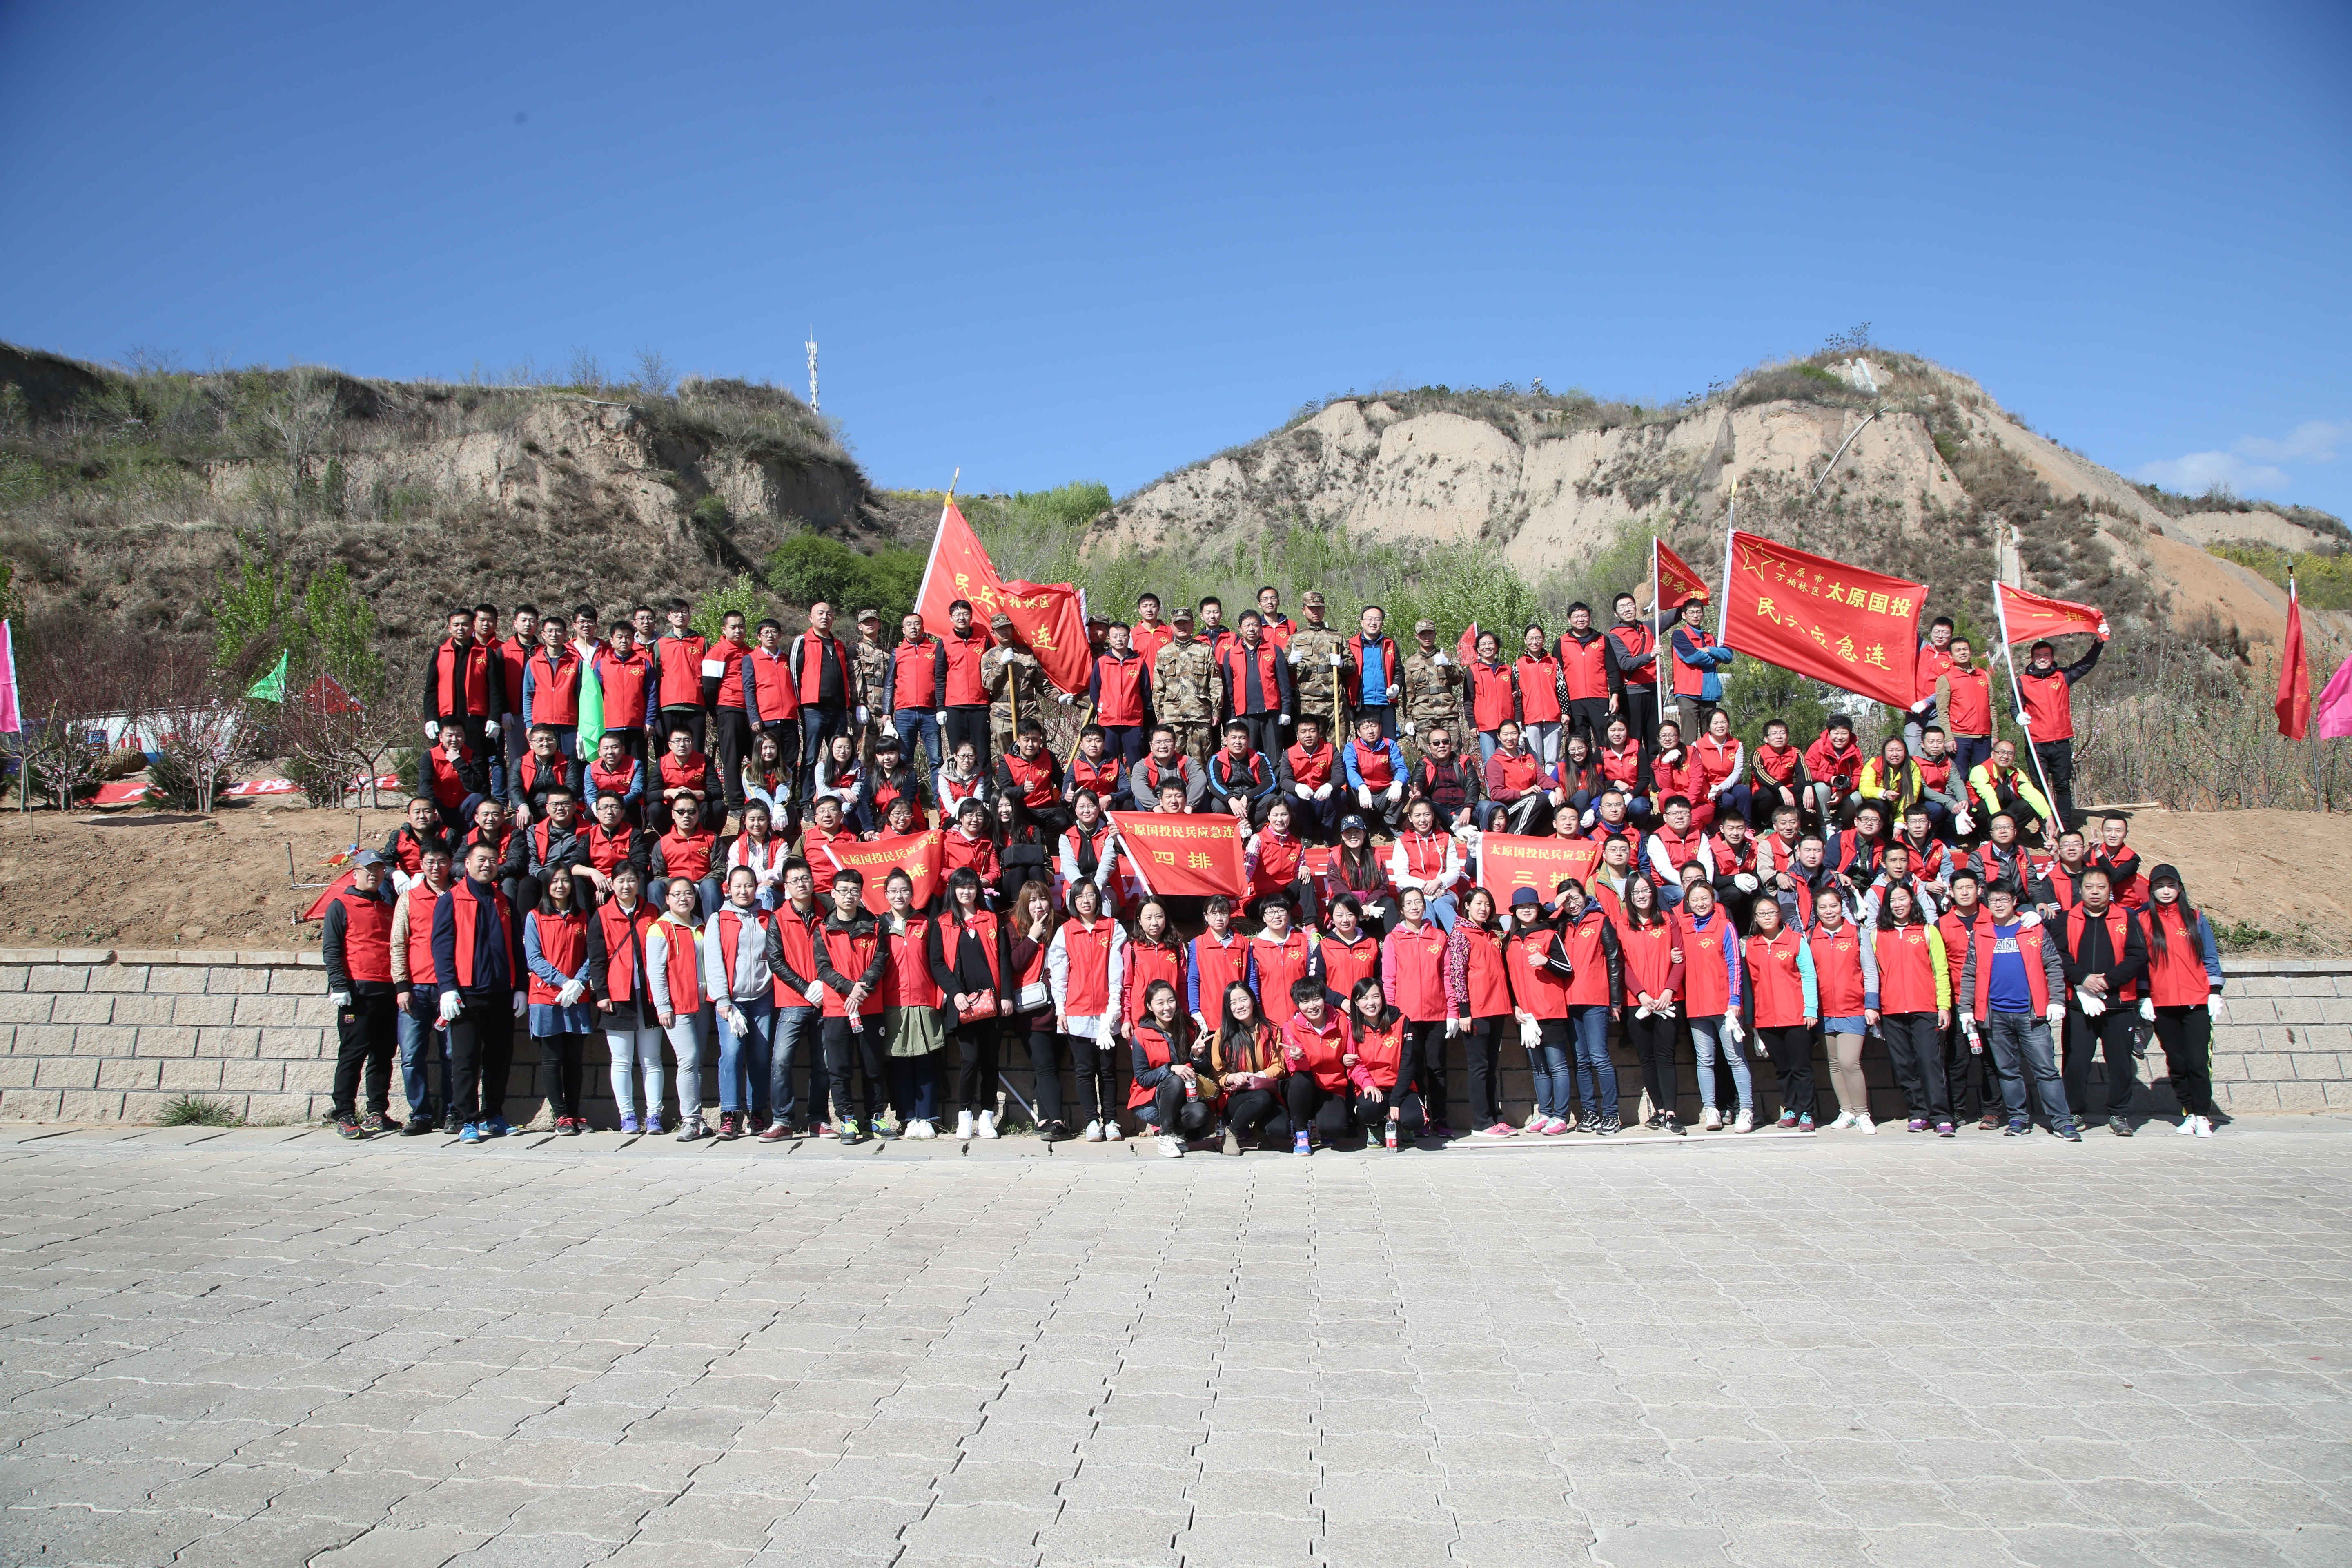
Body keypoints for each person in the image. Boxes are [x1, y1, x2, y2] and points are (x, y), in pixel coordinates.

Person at [1956, 882, 2079, 1140]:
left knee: (2046, 1071)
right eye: (1993, 901)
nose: (1999, 905)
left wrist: (2057, 1000)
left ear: (2014, 901)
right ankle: (2018, 1119)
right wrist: (1966, 1008)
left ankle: (2062, 1121)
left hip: (2031, 1014)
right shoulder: (1981, 934)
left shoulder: (2033, 929)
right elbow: (1970, 973)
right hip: (1995, 1016)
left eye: (2004, 899)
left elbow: (2053, 966)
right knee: (2008, 1072)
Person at [432, 840, 527, 1144]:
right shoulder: (452, 899)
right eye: (482, 860)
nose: (487, 865)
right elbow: (442, 948)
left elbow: (517, 948)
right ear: (468, 864)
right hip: (466, 993)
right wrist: (448, 988)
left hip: (501, 993)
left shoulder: (504, 901)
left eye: (493, 860)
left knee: (499, 1059)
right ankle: (466, 1119)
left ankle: (493, 1115)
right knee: (466, 1060)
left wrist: (520, 988)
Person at [2059, 867, 2148, 1137]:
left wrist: (2107, 981)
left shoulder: (2127, 917)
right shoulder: (2066, 919)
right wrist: (2083, 979)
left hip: (2119, 1003)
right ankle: (2074, 1111)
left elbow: (2137, 956)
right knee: (2076, 1062)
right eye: (2089, 887)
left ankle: (2119, 1114)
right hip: (2080, 1003)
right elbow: (2060, 956)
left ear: (2110, 890)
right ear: (2081, 890)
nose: (2095, 892)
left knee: (2120, 1063)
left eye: (2101, 887)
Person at [929, 867, 1011, 1140]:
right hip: (963, 1004)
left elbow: (1004, 959)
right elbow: (937, 963)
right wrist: (954, 993)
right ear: (953, 890)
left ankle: (987, 1117)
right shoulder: (943, 923)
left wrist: (1006, 995)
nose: (966, 892)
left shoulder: (991, 919)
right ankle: (964, 1115)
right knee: (970, 1060)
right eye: (961, 887)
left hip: (992, 1003)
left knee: (990, 1062)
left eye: (971, 886)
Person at [323, 851, 400, 1139]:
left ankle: (377, 1111)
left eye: (379, 869)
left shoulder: (387, 907)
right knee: (353, 1055)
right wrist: (339, 985)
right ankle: (344, 1113)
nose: (374, 874)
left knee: (383, 1055)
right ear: (354, 873)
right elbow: (332, 948)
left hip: (387, 990)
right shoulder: (341, 905)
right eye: (368, 869)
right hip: (358, 991)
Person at [2143, 864, 2224, 1137]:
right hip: (2163, 1003)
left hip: (2196, 1001)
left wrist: (2214, 992)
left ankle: (2203, 1115)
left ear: (2180, 888)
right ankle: (2188, 1112)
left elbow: (2210, 957)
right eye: (2159, 886)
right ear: (2151, 890)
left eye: (2171, 886)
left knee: (2198, 1062)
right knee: (2177, 1063)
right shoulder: (2143, 920)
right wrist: (2144, 996)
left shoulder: (2196, 918)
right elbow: (2140, 962)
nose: (2166, 891)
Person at [1045, 878, 1126, 1144]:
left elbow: (1118, 971)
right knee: (1084, 1069)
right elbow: (1059, 974)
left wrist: (1114, 1006)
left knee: (1108, 1069)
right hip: (1077, 1009)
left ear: (1099, 899)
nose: (1086, 901)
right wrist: (1061, 1009)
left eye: (1091, 895)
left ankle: (1111, 1120)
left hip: (1106, 1010)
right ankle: (1092, 1121)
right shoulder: (1065, 932)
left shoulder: (1113, 928)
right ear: (1073, 902)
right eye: (1080, 897)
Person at [1868, 882, 1953, 1136]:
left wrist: (1944, 1005)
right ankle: (1918, 1114)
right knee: (1904, 1065)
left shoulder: (1928, 931)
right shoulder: (1877, 936)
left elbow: (1941, 971)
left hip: (1924, 1009)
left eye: (1903, 899)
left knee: (1930, 1063)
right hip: (1892, 1011)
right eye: (1892, 900)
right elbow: (1873, 974)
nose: (1898, 905)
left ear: (1912, 901)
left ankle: (1941, 1116)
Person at [587, 862, 666, 1135]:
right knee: (621, 1061)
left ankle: (654, 1115)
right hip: (618, 995)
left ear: (639, 882)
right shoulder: (602, 915)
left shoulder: (653, 912)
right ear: (612, 884)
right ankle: (628, 1116)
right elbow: (597, 959)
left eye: (631, 880)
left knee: (652, 1059)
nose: (626, 886)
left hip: (650, 996)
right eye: (620, 881)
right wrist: (601, 993)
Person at [701, 865, 777, 1140]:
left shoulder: (768, 918)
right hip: (732, 1001)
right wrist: (722, 999)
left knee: (760, 1056)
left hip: (763, 998)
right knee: (732, 1054)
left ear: (756, 888)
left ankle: (757, 1114)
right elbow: (714, 961)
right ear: (728, 889)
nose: (744, 891)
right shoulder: (719, 919)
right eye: (738, 886)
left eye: (749, 886)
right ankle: (729, 1115)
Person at [814, 868, 890, 1144]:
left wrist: (862, 988)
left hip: (870, 1007)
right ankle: (847, 1120)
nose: (849, 896)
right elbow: (823, 968)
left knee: (873, 1067)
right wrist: (849, 988)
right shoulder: (823, 929)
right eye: (844, 890)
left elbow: (881, 959)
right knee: (839, 1068)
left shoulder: (875, 925)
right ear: (833, 893)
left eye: (855, 891)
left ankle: (876, 1118)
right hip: (838, 1009)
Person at [522, 865, 595, 1135]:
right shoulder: (535, 917)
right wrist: (563, 981)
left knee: (575, 1059)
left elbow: (592, 954)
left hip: (576, 996)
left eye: (565, 881)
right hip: (546, 996)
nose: (560, 886)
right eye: (555, 881)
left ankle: (575, 1113)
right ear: (547, 886)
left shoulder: (582, 917)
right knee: (552, 1059)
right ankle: (561, 1115)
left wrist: (578, 981)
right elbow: (534, 958)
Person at [876, 867, 946, 1140]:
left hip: (924, 1000)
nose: (899, 896)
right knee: (900, 1063)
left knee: (926, 1061)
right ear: (885, 894)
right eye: (893, 891)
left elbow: (937, 961)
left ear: (912, 893)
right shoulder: (879, 926)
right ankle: (907, 1117)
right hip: (893, 1002)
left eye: (904, 890)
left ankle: (927, 1117)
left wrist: (940, 994)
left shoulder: (925, 923)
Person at [390, 846, 456, 1134]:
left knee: (452, 1056)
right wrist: (401, 984)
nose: (436, 867)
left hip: (450, 990)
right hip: (416, 989)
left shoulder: (459, 896)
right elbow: (398, 943)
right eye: (430, 862)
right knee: (411, 1056)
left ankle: (453, 1112)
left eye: (442, 861)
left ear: (451, 864)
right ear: (421, 864)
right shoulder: (409, 898)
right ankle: (421, 1114)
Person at [1677, 879, 1750, 1133]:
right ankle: (1711, 1109)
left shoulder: (1725, 926)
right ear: (1688, 902)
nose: (1700, 904)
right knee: (1705, 1060)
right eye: (1695, 900)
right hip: (1696, 1007)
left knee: (1735, 1058)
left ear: (1714, 899)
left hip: (1724, 1006)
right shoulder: (1684, 928)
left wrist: (1735, 1000)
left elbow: (1735, 964)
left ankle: (1747, 1109)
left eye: (1705, 898)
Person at [764, 861, 831, 1138]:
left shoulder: (828, 912)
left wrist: (825, 983)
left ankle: (819, 1118)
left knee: (824, 1063)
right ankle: (782, 1120)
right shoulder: (778, 918)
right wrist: (805, 988)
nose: (801, 884)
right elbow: (775, 960)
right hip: (793, 999)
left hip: (827, 998)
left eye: (805, 878)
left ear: (813, 881)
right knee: (781, 1060)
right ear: (786, 887)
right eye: (795, 880)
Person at [1442, 886, 1515, 1138]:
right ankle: (1481, 1122)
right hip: (1477, 1010)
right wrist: (1464, 1010)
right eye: (1479, 903)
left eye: (1487, 904)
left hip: (1497, 1007)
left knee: (1491, 1065)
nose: (1484, 909)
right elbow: (1457, 974)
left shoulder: (1492, 934)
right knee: (1479, 1067)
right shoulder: (1461, 934)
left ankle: (1496, 1117)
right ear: (1467, 906)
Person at [642, 876, 711, 1141]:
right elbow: (656, 972)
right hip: (677, 1006)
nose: (684, 898)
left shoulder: (702, 926)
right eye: (677, 894)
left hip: (702, 1003)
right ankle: (690, 1119)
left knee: (697, 1061)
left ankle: (698, 1117)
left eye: (689, 894)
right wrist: (663, 1005)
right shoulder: (660, 929)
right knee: (688, 1058)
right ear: (667, 899)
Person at [1553, 879, 1624, 1134]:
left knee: (1599, 1057)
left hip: (1595, 1000)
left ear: (1585, 895)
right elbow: (1539, 923)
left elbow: (1614, 960)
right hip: (1569, 1001)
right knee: (1581, 1060)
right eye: (1566, 900)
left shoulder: (1600, 921)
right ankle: (1590, 1113)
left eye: (1575, 897)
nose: (1572, 904)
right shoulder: (1560, 926)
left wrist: (1616, 1001)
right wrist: (1554, 907)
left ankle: (1612, 1114)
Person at [1742, 897, 1818, 1132]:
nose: (1767, 917)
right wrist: (1752, 1020)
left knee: (1801, 1068)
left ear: (1779, 915)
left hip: (1796, 1016)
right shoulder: (1751, 946)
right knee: (1783, 1069)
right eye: (1761, 913)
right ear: (1755, 918)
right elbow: (1749, 984)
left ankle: (1807, 1112)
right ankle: (1792, 1109)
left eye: (1771, 912)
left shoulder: (1796, 941)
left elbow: (1808, 975)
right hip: (1766, 1017)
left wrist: (1811, 1009)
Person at [2017, 632, 2107, 830]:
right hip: (2036, 743)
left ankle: (2065, 826)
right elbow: (2015, 706)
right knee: (2040, 787)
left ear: (2052, 658)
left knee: (2062, 786)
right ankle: (2045, 826)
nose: (2042, 659)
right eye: (2038, 656)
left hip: (2061, 741)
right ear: (2032, 659)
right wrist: (2018, 716)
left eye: (2046, 655)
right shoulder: (2022, 682)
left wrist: (2098, 644)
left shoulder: (2063, 676)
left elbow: (2086, 665)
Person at [1501, 889, 1573, 1136]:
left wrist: (1546, 962)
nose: (1526, 911)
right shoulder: (1510, 941)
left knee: (1557, 1066)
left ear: (1539, 909)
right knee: (1538, 1067)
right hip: (1526, 1015)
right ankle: (1545, 1113)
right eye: (1521, 907)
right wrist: (1515, 1005)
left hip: (1551, 1011)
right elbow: (1508, 979)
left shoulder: (1550, 936)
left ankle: (1560, 1117)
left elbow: (1567, 968)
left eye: (1531, 906)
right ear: (1514, 912)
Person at [1617, 875, 1685, 1133]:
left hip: (1668, 1001)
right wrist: (1641, 994)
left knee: (1666, 1057)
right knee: (1646, 1058)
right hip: (1639, 1003)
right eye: (1636, 892)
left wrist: (1669, 990)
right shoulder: (1622, 925)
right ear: (1629, 897)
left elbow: (1680, 958)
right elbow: (1622, 963)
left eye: (1646, 890)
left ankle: (1671, 1113)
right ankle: (1658, 1110)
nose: (1642, 896)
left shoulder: (1668, 920)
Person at [1936, 869, 2002, 1129]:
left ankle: (1992, 1111)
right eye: (1959, 888)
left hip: (1992, 999)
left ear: (1979, 890)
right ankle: (1956, 1111)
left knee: (1992, 1058)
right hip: (1958, 1000)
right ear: (1951, 893)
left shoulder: (1994, 918)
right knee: (1958, 1059)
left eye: (1970, 887)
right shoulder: (1942, 925)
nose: (1965, 892)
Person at [1808, 886, 1876, 1131]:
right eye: (1823, 907)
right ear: (1816, 911)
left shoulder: (1858, 933)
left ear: (1842, 907)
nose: (1829, 911)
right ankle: (1846, 1111)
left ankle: (1862, 1113)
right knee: (1835, 1063)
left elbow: (1870, 971)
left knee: (1849, 1062)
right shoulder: (1810, 937)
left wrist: (1872, 1005)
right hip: (1825, 1011)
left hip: (1854, 1008)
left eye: (1833, 906)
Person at [1131, 979, 1213, 1157]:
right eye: (1160, 1003)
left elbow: (1206, 1071)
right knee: (1175, 1080)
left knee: (1199, 1114)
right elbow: (1142, 1078)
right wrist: (1171, 1068)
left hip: (1185, 1098)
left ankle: (1177, 1134)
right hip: (1151, 1103)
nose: (1167, 1007)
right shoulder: (1142, 1034)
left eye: (1171, 1001)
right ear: (1150, 1007)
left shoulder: (1189, 1028)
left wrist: (1197, 1056)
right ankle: (1166, 1136)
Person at [1209, 980, 1292, 1154]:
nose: (1240, 1006)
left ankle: (1259, 1130)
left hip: (1267, 1090)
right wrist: (1232, 1078)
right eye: (1233, 1003)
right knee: (1260, 1098)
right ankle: (1232, 1133)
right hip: (1236, 1096)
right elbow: (1217, 1073)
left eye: (1243, 999)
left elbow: (1280, 1065)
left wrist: (1260, 1076)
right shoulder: (1223, 1035)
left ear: (1253, 1000)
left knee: (1279, 1129)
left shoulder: (1272, 1030)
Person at [421, 606, 508, 764]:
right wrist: (430, 718)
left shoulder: (486, 653)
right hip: (447, 718)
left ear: (473, 626)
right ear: (449, 628)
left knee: (478, 763)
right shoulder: (440, 653)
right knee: (445, 763)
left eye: (465, 624)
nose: (460, 628)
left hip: (476, 720)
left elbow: (495, 690)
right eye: (456, 625)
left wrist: (494, 718)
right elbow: (431, 690)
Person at [791, 602, 857, 802]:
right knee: (811, 755)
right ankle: (807, 800)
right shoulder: (803, 641)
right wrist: (800, 704)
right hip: (813, 708)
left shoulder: (839, 645)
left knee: (840, 754)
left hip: (838, 709)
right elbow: (794, 675)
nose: (825, 617)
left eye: (829, 614)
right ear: (811, 618)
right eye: (820, 613)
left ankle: (836, 797)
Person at [1279, 977, 1352, 1154]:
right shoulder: (1291, 1027)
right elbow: (1293, 1068)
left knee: (1334, 1129)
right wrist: (1299, 1057)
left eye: (1316, 999)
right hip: (1306, 1088)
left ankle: (1319, 1126)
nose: (1312, 1006)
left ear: (1324, 998)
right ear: (1298, 1005)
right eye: (1305, 1002)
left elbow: (1352, 1056)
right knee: (1300, 1080)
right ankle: (1301, 1132)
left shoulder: (1343, 1023)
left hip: (1332, 1088)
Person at [742, 618, 803, 806]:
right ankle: (765, 802)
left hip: (789, 718)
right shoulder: (751, 659)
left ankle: (788, 801)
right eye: (766, 633)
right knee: (766, 762)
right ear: (759, 636)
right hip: (766, 719)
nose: (770, 636)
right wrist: (754, 717)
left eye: (774, 632)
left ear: (780, 635)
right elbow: (749, 690)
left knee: (790, 762)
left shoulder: (787, 659)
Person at [1221, 611, 1293, 765]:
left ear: (1261, 627)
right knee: (1249, 757)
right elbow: (1228, 689)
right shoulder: (1231, 654)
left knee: (1274, 757)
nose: (1251, 629)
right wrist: (1231, 715)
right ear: (1240, 629)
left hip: (1271, 713)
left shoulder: (1274, 650)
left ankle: (1276, 782)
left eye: (1255, 625)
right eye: (1247, 626)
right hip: (1245, 714)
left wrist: (1286, 711)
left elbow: (1284, 684)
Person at [1153, 607, 1223, 764]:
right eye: (1178, 624)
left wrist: (1216, 711)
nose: (1182, 627)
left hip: (1200, 715)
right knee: (1173, 762)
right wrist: (1160, 715)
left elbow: (1215, 682)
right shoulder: (1164, 653)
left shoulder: (1204, 650)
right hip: (1173, 717)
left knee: (1201, 762)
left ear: (1193, 624)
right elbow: (1158, 687)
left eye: (1185, 623)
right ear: (1172, 626)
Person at [981, 613, 1051, 764]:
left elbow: (1042, 684)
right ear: (993, 632)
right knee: (1007, 759)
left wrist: (1059, 697)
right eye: (1000, 629)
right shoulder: (989, 656)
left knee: (1037, 754)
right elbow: (988, 685)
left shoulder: (1027, 653)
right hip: (1003, 713)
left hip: (1029, 710)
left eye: (1007, 628)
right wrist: (1001, 664)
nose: (1004, 632)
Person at [1388, 797, 1464, 931]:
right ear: (1410, 818)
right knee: (1425, 905)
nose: (1423, 820)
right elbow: (1401, 877)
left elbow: (1454, 871)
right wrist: (1426, 887)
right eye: (1417, 816)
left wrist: (1438, 883)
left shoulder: (1446, 838)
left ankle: (1460, 938)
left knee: (1442, 904)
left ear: (1433, 816)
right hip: (1417, 892)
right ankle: (1430, 940)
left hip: (1444, 891)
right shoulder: (1403, 842)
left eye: (1427, 815)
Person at [1665, 595, 1733, 744]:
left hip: (1709, 693)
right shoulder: (1680, 635)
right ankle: (1688, 759)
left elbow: (1728, 656)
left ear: (1703, 614)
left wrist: (1709, 649)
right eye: (1691, 612)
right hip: (1688, 692)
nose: (1695, 616)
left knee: (1710, 738)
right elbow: (1692, 657)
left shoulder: (1710, 638)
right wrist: (1715, 660)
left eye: (1699, 612)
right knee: (1689, 738)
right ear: (1684, 615)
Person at [1604, 591, 1666, 753]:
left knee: (1655, 738)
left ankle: (1655, 768)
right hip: (1633, 692)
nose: (1627, 609)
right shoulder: (1615, 636)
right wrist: (1651, 655)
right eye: (1622, 607)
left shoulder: (1648, 627)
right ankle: (1636, 768)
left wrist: (1687, 600)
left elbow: (1672, 618)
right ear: (1616, 613)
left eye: (1630, 605)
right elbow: (1625, 663)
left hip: (1654, 689)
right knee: (1634, 739)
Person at [650, 597, 711, 760]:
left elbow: (709, 676)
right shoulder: (661, 644)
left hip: (696, 705)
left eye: (684, 612)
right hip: (668, 706)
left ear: (690, 616)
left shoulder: (702, 642)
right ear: (669, 617)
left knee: (696, 752)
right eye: (676, 612)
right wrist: (656, 715)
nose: (681, 616)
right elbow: (655, 679)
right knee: (668, 753)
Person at [888, 611, 948, 776]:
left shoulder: (935, 649)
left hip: (930, 712)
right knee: (905, 758)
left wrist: (941, 707)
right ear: (904, 630)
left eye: (917, 624)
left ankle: (938, 793)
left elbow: (942, 678)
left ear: (923, 627)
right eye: (909, 625)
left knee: (936, 759)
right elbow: (890, 684)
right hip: (904, 713)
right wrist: (887, 713)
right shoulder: (898, 652)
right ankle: (908, 792)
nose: (913, 628)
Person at [1087, 620, 1154, 770]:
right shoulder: (1102, 662)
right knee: (1109, 763)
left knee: (1137, 764)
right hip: (1109, 722)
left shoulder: (1139, 662)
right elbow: (1095, 692)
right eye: (1115, 636)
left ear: (1128, 638)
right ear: (1109, 639)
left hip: (1133, 722)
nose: (1119, 640)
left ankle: (1137, 786)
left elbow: (1146, 693)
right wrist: (1104, 709)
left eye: (1123, 636)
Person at [710, 611, 756, 824]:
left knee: (757, 757)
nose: (738, 631)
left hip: (751, 711)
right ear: (724, 629)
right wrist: (716, 713)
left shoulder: (750, 652)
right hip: (728, 709)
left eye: (741, 627)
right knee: (732, 758)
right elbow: (709, 687)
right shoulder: (717, 651)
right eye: (733, 627)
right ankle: (736, 804)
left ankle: (756, 798)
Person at [589, 620, 656, 762]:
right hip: (610, 726)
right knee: (613, 765)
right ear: (611, 641)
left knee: (637, 765)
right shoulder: (602, 665)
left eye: (628, 637)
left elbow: (651, 694)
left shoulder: (644, 664)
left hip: (637, 726)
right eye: (620, 637)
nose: (624, 641)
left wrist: (650, 720)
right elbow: (595, 697)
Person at [1245, 800, 1319, 928]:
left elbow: (1300, 868)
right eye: (1275, 815)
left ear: (1290, 816)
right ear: (1269, 817)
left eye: (1284, 815)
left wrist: (1304, 868)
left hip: (1283, 898)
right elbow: (1249, 866)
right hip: (1259, 899)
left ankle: (1310, 926)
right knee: (1279, 914)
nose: (1280, 820)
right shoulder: (1258, 839)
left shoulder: (1297, 844)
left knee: (1306, 879)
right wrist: (1242, 884)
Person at [1399, 618, 1463, 762]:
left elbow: (1458, 679)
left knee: (1454, 755)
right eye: (1423, 634)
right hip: (1423, 715)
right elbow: (1409, 693)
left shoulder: (1448, 656)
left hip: (1448, 713)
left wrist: (1447, 665)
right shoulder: (1410, 663)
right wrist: (1408, 719)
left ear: (1435, 634)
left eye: (1430, 633)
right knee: (1427, 758)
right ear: (1417, 637)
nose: (1427, 637)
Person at [647, 794, 721, 918]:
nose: (686, 816)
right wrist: (678, 886)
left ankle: (714, 925)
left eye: (692, 812)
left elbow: (720, 869)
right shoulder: (662, 843)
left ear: (698, 814)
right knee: (655, 886)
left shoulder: (712, 839)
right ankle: (662, 925)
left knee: (710, 885)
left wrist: (696, 885)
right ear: (673, 814)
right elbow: (658, 875)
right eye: (681, 812)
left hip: (702, 889)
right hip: (674, 891)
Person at [1969, 739, 2054, 846]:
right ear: (1992, 754)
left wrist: (2048, 817)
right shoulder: (1980, 770)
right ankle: (1986, 838)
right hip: (1980, 817)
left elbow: (2033, 794)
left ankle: (2008, 836)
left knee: (2028, 805)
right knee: (1985, 806)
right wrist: (2001, 821)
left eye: (2010, 754)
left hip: (2002, 814)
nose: (2006, 757)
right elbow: (1989, 795)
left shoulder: (2016, 774)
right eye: (2002, 752)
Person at [520, 617, 582, 763]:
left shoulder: (576, 662)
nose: (554, 635)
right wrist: (529, 725)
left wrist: (582, 726)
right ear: (543, 634)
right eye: (550, 631)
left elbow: (581, 696)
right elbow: (528, 696)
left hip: (568, 724)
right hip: (542, 724)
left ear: (565, 634)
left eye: (558, 631)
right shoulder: (534, 662)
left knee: (570, 763)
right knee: (545, 764)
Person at [1555, 603, 1614, 753]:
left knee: (1604, 740)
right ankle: (1584, 769)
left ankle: (1606, 767)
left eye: (1584, 616)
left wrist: (1615, 695)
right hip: (1574, 700)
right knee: (1579, 743)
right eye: (1576, 616)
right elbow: (1557, 675)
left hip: (1600, 698)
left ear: (1590, 618)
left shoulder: (1602, 640)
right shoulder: (1562, 642)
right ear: (1569, 619)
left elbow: (1613, 670)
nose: (1580, 620)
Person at [1407, 722, 1481, 838]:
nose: (1442, 746)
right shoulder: (1424, 764)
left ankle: (1489, 839)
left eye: (1446, 742)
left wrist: (1468, 808)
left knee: (1487, 807)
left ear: (1451, 744)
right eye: (1436, 743)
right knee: (1424, 804)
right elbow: (1418, 781)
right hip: (1437, 811)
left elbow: (1473, 785)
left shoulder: (1464, 761)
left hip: (1463, 808)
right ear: (1429, 747)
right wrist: (1418, 793)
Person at [1278, 714, 1342, 844]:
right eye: (1303, 732)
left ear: (1319, 733)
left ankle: (1327, 832)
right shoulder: (1289, 754)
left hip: (1324, 796)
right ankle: (1307, 833)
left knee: (1341, 795)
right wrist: (1297, 787)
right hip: (1304, 797)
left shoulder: (1331, 750)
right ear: (1297, 735)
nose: (1308, 735)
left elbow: (1340, 775)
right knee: (1290, 799)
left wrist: (1329, 786)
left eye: (1312, 731)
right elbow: (1284, 780)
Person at [1941, 636, 1996, 782]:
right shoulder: (1946, 679)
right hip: (1960, 737)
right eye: (1958, 650)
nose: (1963, 653)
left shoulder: (1984, 675)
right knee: (1960, 778)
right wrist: (1948, 738)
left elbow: (1992, 707)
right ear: (1951, 656)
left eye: (1965, 649)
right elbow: (1943, 712)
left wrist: (1995, 734)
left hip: (1983, 737)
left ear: (1970, 652)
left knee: (1983, 778)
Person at [1479, 719, 1548, 835]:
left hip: (1527, 803)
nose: (1510, 738)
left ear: (1519, 735)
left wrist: (1557, 789)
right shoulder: (1495, 762)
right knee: (1538, 798)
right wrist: (1523, 793)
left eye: (1513, 734)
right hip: (1507, 809)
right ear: (1499, 737)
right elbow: (1496, 793)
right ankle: (1515, 835)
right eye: (1505, 734)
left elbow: (1542, 778)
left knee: (1550, 801)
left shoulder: (1528, 758)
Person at [1341, 715, 1409, 835]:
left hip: (1384, 793)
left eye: (1374, 726)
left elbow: (1402, 769)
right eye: (1366, 728)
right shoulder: (1352, 747)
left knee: (1404, 787)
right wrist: (1361, 787)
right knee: (1351, 789)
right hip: (1363, 794)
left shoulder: (1389, 745)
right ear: (1359, 732)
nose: (1371, 731)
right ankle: (1362, 822)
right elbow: (1349, 770)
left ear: (1380, 728)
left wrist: (1398, 783)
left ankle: (1389, 823)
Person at [418, 724, 489, 835]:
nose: (454, 740)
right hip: (440, 808)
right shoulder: (429, 756)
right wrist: (433, 808)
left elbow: (476, 786)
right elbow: (425, 785)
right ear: (441, 737)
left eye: (459, 735)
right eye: (450, 736)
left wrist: (458, 762)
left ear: (465, 737)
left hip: (465, 808)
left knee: (477, 798)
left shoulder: (474, 756)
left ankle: (471, 836)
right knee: (425, 804)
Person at [1205, 721, 1279, 826]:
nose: (1238, 742)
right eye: (1234, 738)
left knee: (1271, 800)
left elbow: (1270, 783)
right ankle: (1230, 831)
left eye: (1242, 738)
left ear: (1249, 741)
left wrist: (1247, 797)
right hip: (1230, 803)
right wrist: (1230, 799)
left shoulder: (1259, 758)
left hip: (1252, 803)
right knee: (1217, 805)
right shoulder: (1216, 760)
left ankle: (1255, 830)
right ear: (1226, 740)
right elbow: (1214, 784)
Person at [1904, 616, 1958, 759]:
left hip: (1935, 714)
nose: (1940, 636)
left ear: (1951, 636)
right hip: (1913, 712)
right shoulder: (1922, 647)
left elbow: (1948, 689)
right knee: (1911, 753)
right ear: (1931, 632)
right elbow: (1909, 629)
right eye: (1937, 632)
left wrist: (1926, 703)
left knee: (1935, 753)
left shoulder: (1953, 658)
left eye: (1945, 633)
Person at [1345, 606, 1402, 740]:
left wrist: (1396, 686)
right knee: (1366, 742)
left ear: (1382, 623)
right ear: (1362, 622)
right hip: (1362, 704)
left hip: (1386, 703)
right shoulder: (1351, 645)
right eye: (1369, 619)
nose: (1373, 623)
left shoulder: (1390, 644)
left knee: (1389, 742)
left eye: (1378, 619)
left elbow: (1399, 670)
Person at [1330, 815, 1393, 935]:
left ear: (1364, 834)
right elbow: (1338, 888)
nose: (1353, 836)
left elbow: (1383, 885)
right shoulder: (1335, 857)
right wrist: (1359, 905)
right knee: (1343, 906)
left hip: (1372, 906)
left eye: (1357, 832)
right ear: (1343, 836)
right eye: (1348, 832)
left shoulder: (1375, 855)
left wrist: (1369, 904)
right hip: (1348, 906)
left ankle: (1395, 940)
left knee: (1389, 903)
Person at [1129, 725, 1207, 814]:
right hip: (1157, 808)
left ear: (1175, 744)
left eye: (1168, 742)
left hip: (1183, 806)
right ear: (1151, 746)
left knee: (1204, 796)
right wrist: (1155, 807)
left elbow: (1200, 780)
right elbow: (1138, 786)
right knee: (1139, 800)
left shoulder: (1187, 762)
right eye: (1158, 742)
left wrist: (1189, 806)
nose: (1163, 746)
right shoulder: (1142, 766)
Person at [1803, 717, 1864, 829]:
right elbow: (1808, 771)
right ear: (1829, 733)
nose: (1840, 737)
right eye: (1836, 733)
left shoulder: (1854, 751)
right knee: (1822, 788)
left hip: (1844, 792)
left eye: (1844, 733)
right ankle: (1825, 825)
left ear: (1850, 734)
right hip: (1821, 794)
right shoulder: (1818, 747)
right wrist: (1830, 779)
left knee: (1858, 797)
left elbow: (1858, 775)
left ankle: (1837, 822)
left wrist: (1842, 792)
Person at [586, 731, 646, 827]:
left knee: (633, 812)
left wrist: (618, 804)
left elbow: (637, 790)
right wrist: (595, 805)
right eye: (606, 748)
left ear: (623, 749)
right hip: (603, 804)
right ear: (599, 752)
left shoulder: (635, 765)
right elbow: (590, 793)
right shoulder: (591, 768)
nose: (610, 752)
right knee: (589, 814)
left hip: (627, 803)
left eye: (615, 748)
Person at [1597, 717, 1650, 823]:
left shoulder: (1637, 749)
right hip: (1612, 796)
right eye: (1613, 730)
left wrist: (1631, 796)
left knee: (1640, 807)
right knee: (1599, 814)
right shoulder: (1601, 753)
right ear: (1607, 732)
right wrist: (1615, 783)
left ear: (1627, 731)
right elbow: (1597, 780)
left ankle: (1638, 829)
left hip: (1636, 795)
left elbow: (1645, 779)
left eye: (1621, 730)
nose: (1617, 734)